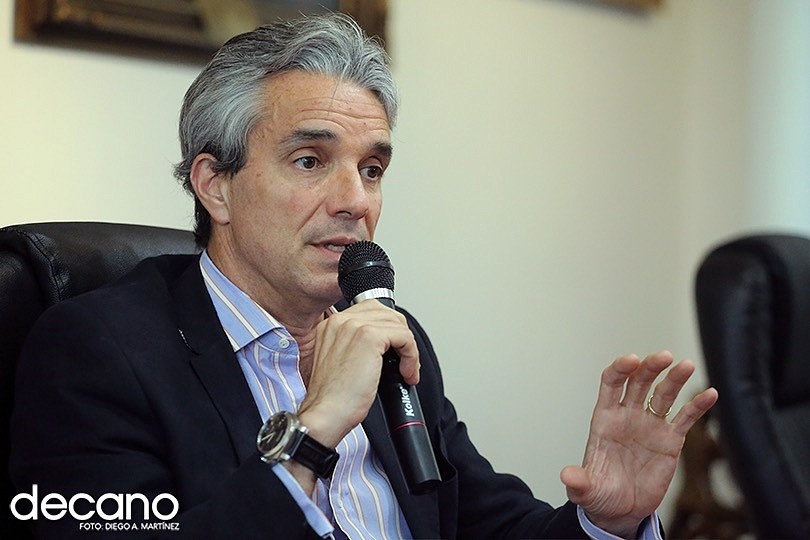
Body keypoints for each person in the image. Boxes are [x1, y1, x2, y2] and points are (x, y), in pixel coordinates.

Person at [10, 13, 717, 539]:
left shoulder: (390, 339)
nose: (355, 200)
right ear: (215, 186)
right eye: (310, 161)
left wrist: (606, 522)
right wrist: (314, 428)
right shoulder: (97, 350)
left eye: (372, 169)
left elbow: (487, 525)